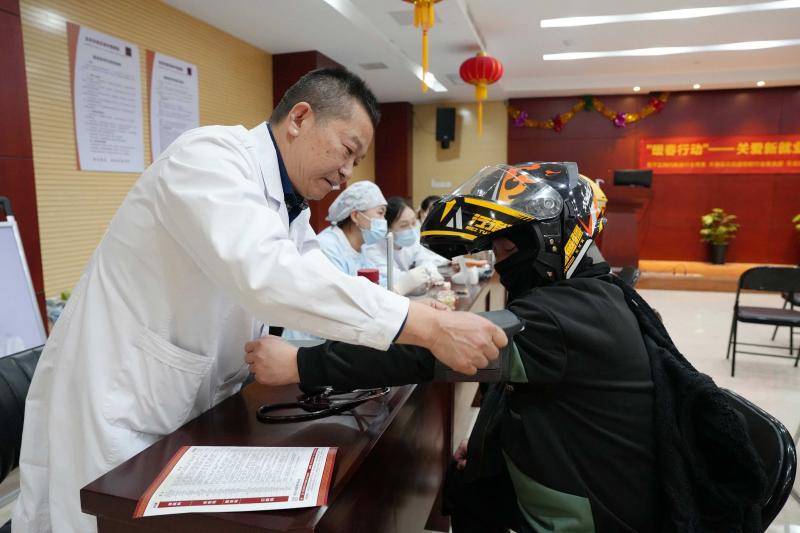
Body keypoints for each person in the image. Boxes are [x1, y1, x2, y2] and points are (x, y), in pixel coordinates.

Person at [13, 68, 506, 533]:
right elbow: (268, 275)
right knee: (104, 517)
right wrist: (423, 326)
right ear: (300, 118)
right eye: (347, 150)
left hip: (190, 401)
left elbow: (318, 278)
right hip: (121, 399)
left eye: (356, 162)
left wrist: (410, 317)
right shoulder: (209, 158)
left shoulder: (289, 208)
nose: (347, 173)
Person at [245, 162, 662, 531]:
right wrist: (487, 443)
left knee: (468, 492)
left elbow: (432, 349)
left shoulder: (561, 316)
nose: (499, 258)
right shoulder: (593, 295)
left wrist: (302, 363)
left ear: (554, 239)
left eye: (508, 246)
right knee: (467, 486)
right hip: (580, 479)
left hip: (589, 514)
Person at [362, 197, 448, 286]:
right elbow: (393, 278)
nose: (411, 229)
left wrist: (433, 272)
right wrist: (420, 277)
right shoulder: (373, 248)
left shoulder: (413, 240)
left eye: (413, 222)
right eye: (404, 225)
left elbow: (424, 260)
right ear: (387, 228)